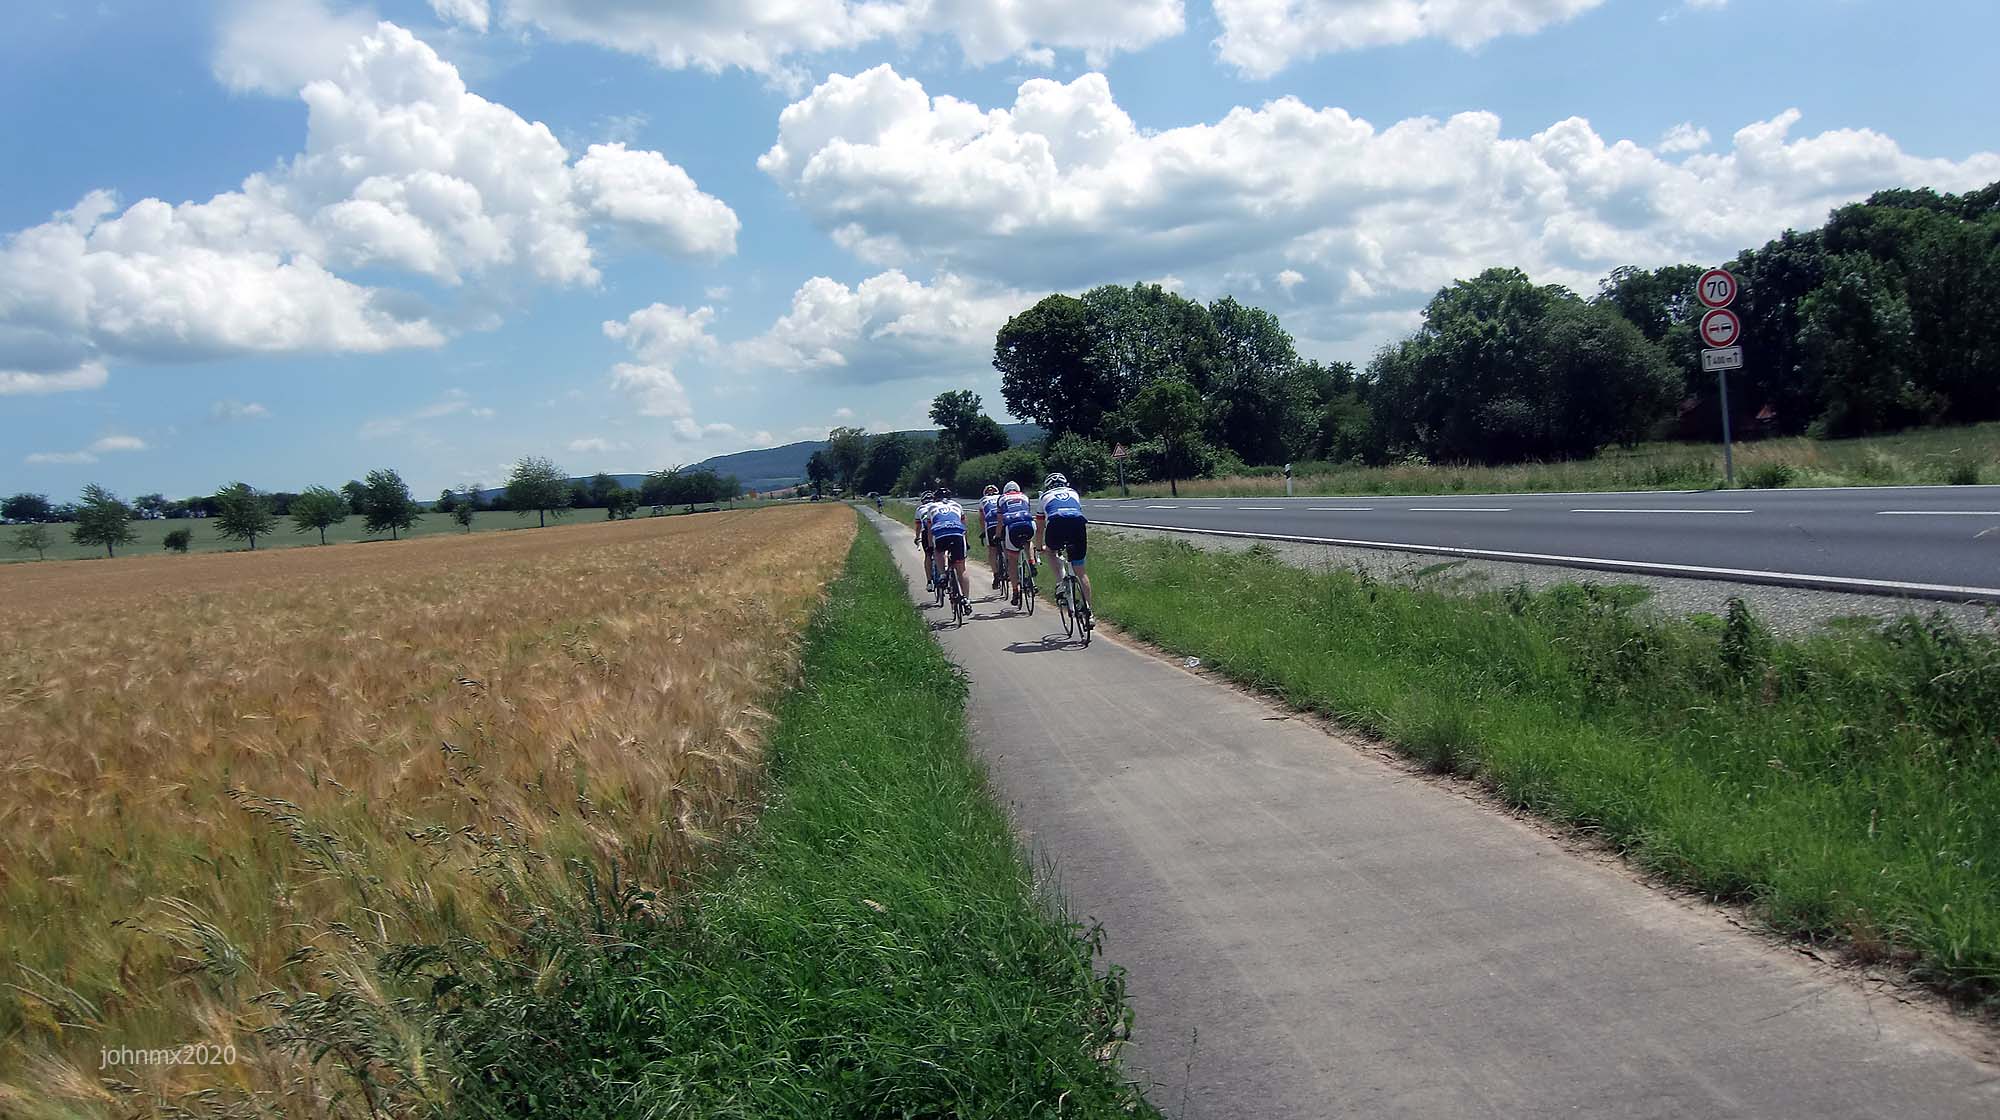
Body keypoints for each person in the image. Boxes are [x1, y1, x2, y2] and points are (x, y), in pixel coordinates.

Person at [1036, 472, 1092, 627]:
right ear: (1065, 484)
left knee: (1051, 551)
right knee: (1081, 571)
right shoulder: (1073, 492)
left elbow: (1040, 528)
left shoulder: (1044, 496)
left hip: (1056, 524)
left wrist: (1039, 547)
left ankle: (1060, 582)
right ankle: (1089, 611)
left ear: (1047, 486)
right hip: (1078, 525)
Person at [928, 491, 971, 610]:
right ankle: (966, 599)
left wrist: (930, 546)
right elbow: (964, 527)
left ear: (936, 498)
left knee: (938, 551)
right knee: (961, 569)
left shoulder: (932, 507)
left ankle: (942, 574)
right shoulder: (957, 505)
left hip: (940, 533)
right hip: (957, 533)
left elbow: (930, 530)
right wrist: (966, 543)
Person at [998, 480, 1036, 607]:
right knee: (1028, 541)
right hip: (1028, 524)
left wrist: (997, 535)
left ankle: (1015, 592)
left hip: (1012, 527)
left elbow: (1000, 521)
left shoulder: (1002, 498)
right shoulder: (1024, 496)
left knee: (1012, 561)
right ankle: (1032, 562)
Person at [978, 484, 1003, 589]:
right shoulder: (1001, 497)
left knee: (991, 550)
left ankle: (996, 574)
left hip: (991, 526)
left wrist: (983, 531)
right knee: (1008, 548)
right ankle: (1008, 567)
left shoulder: (983, 500)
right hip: (1003, 523)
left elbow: (981, 518)